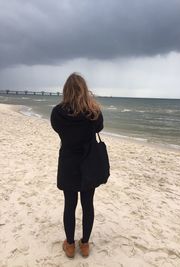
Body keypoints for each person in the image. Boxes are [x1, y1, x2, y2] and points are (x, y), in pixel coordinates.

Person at [50, 72, 104, 258]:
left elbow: (57, 128)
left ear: (66, 91)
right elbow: (99, 128)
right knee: (88, 204)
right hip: (88, 162)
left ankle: (71, 245)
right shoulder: (93, 112)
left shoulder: (57, 112)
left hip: (68, 163)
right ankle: (85, 244)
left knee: (69, 205)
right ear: (84, 90)